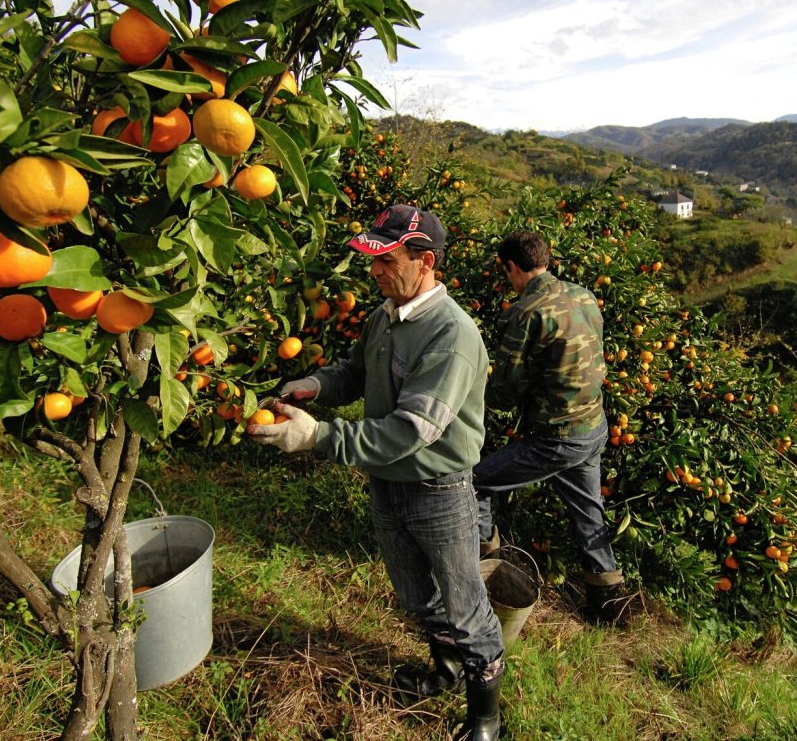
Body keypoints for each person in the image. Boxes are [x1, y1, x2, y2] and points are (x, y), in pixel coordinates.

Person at [248, 205, 504, 741]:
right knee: (415, 593)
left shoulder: (451, 336)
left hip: (439, 489)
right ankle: (447, 668)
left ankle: (486, 718)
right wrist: (314, 387)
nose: (375, 272)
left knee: (465, 603)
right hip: (387, 481)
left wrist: (315, 436)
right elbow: (356, 373)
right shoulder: (388, 313)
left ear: (425, 260)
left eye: (386, 260)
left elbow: (410, 431)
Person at [474, 228, 630, 625]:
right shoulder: (583, 294)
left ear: (511, 267)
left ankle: (484, 570)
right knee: (588, 513)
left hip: (556, 437)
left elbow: (504, 392)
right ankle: (609, 608)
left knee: (475, 481)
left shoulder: (527, 313)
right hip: (593, 425)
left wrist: (471, 394)